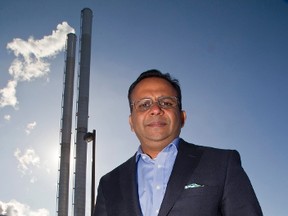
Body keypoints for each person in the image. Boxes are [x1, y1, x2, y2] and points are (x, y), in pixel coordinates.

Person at [94, 69, 263, 216]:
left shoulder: (222, 164)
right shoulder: (109, 184)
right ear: (131, 122)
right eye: (144, 105)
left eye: (166, 103)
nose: (155, 110)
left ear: (182, 117)